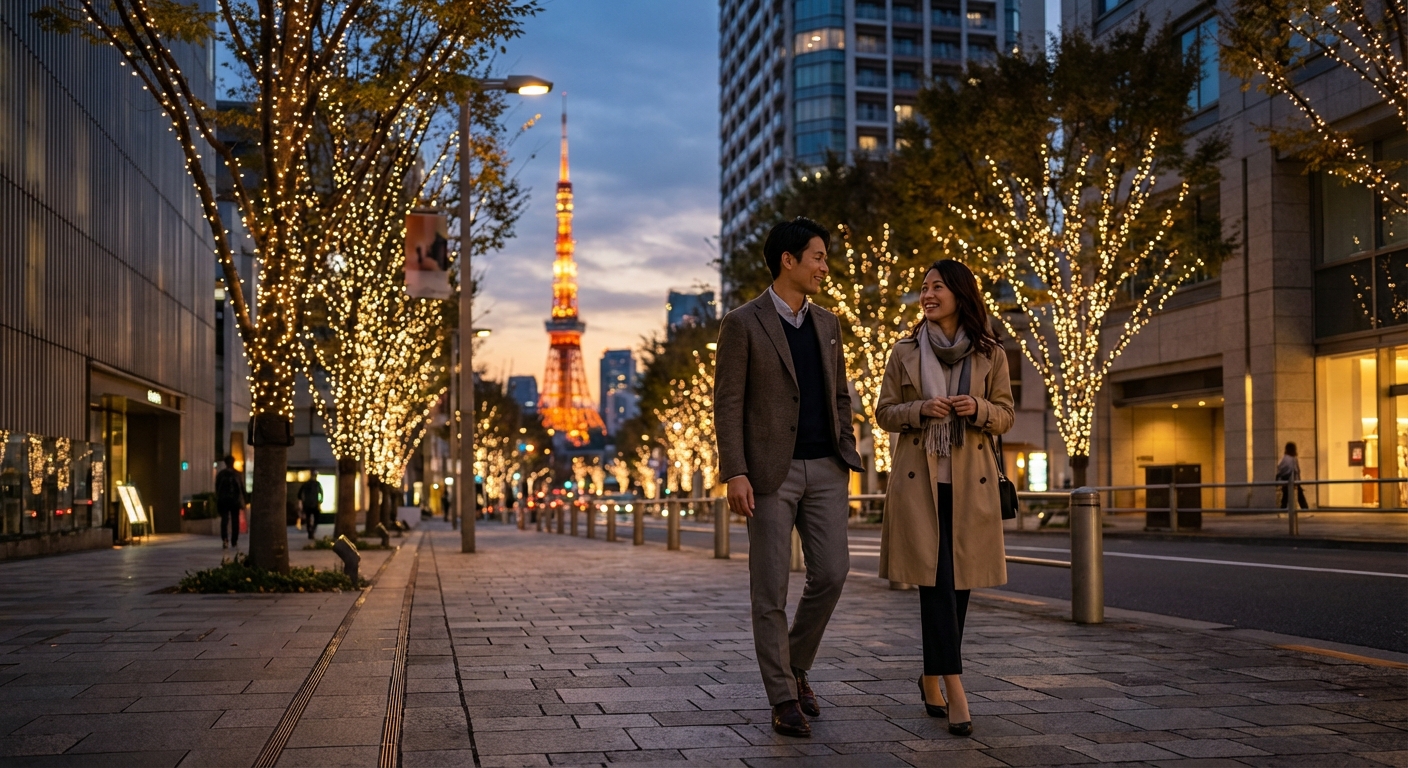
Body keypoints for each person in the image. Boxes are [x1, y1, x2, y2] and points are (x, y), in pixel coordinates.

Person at [714, 216, 865, 738]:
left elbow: (838, 393)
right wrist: (734, 470)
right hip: (769, 475)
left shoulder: (828, 324)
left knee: (832, 574)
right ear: (789, 260)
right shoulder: (742, 323)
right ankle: (782, 697)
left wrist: (846, 445)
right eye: (818, 256)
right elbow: (728, 402)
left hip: (827, 467)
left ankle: (796, 664)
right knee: (770, 591)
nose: (825, 266)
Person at [875, 259, 1015, 738]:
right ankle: (956, 690)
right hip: (921, 486)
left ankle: (930, 675)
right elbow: (884, 412)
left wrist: (978, 408)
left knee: (959, 588)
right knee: (935, 586)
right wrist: (919, 409)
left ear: (959, 293)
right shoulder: (904, 351)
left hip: (970, 485)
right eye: (923, 287)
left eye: (936, 286)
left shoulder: (990, 352)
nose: (927, 294)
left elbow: (1007, 414)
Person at [214, 455, 246, 550]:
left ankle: (225, 539)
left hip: (223, 500)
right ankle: (234, 541)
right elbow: (241, 488)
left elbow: (217, 488)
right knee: (235, 520)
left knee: (224, 520)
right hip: (235, 501)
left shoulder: (221, 474)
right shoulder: (237, 474)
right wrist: (244, 499)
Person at [1277, 442, 1308, 510]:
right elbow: (1296, 470)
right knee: (1299, 494)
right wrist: (1298, 480)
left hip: (1286, 479)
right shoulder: (1293, 458)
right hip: (1293, 478)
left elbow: (1280, 467)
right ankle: (1305, 508)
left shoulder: (1285, 458)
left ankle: (1283, 508)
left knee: (1285, 495)